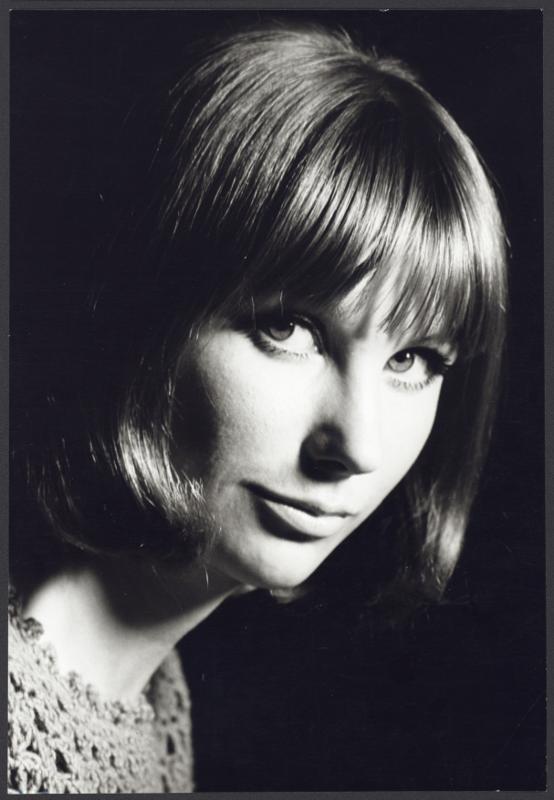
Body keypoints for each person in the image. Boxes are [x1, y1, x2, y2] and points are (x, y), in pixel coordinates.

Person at [8, 19, 507, 794]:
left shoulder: (156, 698)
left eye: (413, 360)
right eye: (289, 329)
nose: (359, 445)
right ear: (149, 314)